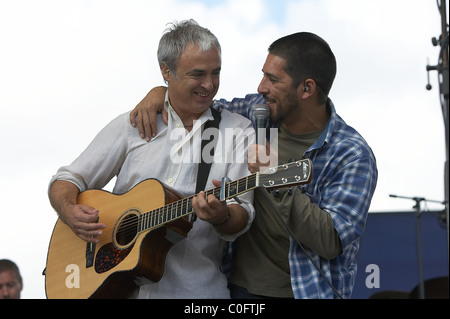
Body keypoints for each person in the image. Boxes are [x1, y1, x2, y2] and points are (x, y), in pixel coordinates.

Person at [129, 32, 378, 299]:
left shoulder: (351, 154)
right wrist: (160, 92)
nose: (261, 87)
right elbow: (195, 102)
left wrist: (274, 177)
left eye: (273, 79)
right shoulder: (257, 112)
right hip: (235, 288)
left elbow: (331, 240)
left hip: (302, 292)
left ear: (307, 89)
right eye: (263, 75)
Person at [48, 20, 255, 299]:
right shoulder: (132, 124)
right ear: (166, 72)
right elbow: (67, 179)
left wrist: (223, 215)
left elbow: (242, 214)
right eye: (198, 74)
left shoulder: (237, 131)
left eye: (215, 73)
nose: (209, 84)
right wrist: (69, 210)